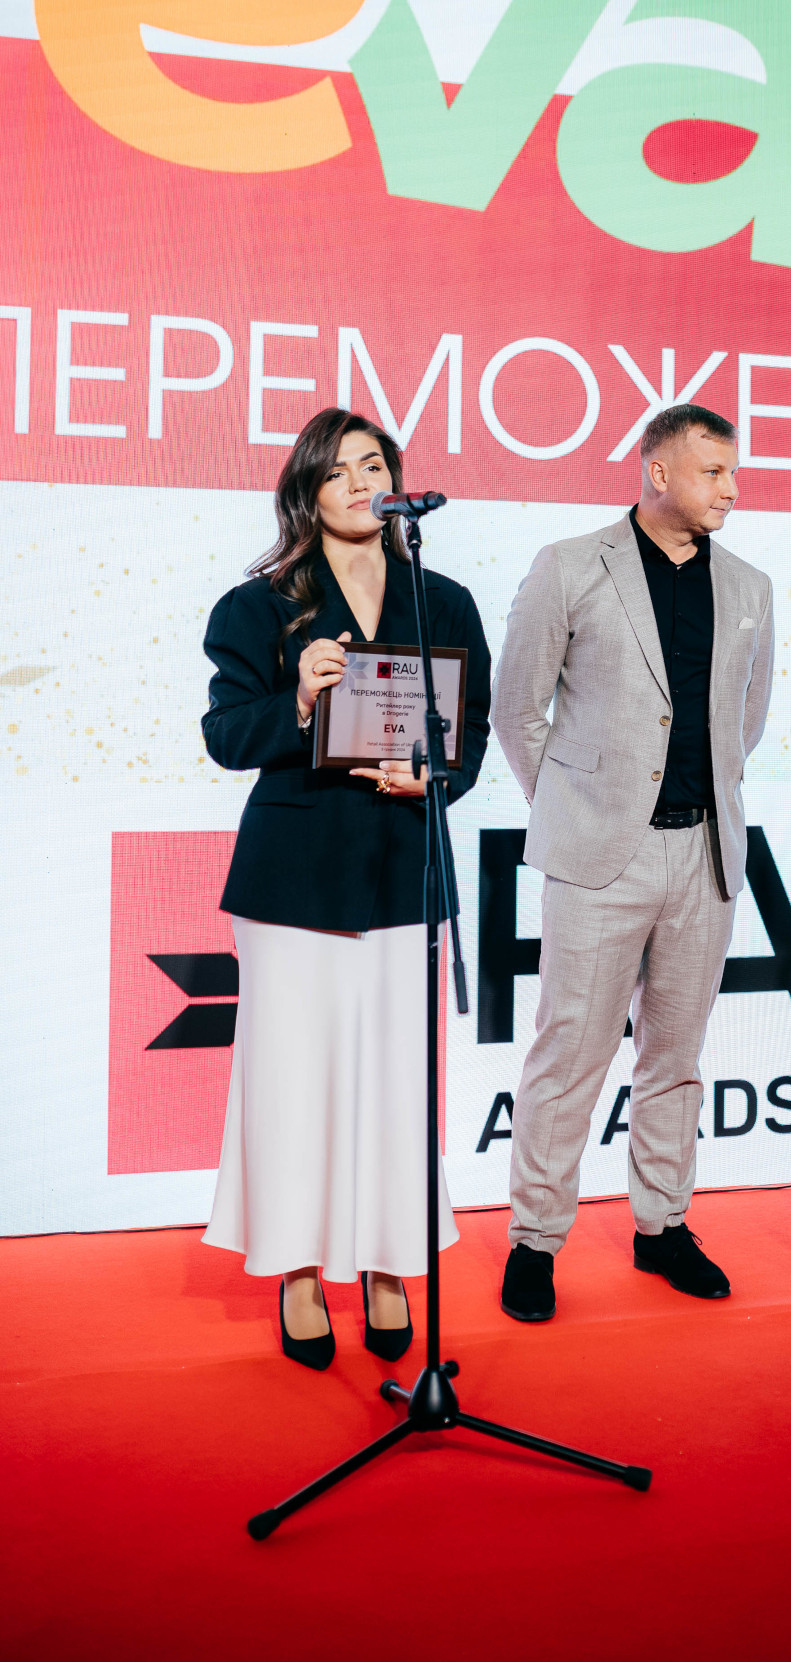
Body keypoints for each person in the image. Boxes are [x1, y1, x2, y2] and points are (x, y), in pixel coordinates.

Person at [200, 409, 490, 1369]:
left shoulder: (442, 601)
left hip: (402, 870)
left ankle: (388, 1264)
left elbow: (470, 735)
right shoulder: (257, 607)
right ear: (307, 492)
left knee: (396, 1084)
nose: (364, 483)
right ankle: (295, 1271)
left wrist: (433, 776)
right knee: (292, 1081)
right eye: (340, 471)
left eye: (376, 466)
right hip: (293, 881)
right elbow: (225, 736)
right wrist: (296, 699)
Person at [491, 403, 774, 1321]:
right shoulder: (571, 565)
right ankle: (535, 1240)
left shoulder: (751, 586)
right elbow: (514, 709)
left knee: (676, 1058)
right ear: (658, 472)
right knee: (570, 1052)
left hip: (706, 854)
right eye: (713, 472)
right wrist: (574, 808)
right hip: (597, 857)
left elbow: (745, 723)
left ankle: (664, 1225)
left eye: (733, 472)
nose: (731, 490)